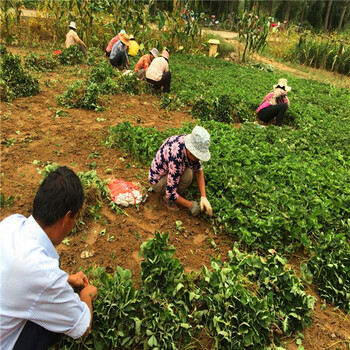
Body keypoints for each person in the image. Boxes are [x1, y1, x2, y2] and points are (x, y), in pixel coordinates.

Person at [0, 166, 98, 350]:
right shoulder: (42, 272)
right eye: (75, 218)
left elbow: (18, 278)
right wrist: (87, 295)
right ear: (67, 217)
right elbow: (82, 326)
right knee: (52, 323)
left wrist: (66, 279)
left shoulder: (11, 223)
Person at [149, 126, 213, 217]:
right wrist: (190, 205)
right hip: (158, 181)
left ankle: (178, 196)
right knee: (187, 175)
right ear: (191, 152)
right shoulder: (177, 157)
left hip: (169, 172)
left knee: (188, 173)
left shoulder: (191, 142)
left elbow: (198, 171)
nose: (199, 158)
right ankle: (166, 200)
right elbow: (170, 193)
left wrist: (203, 197)